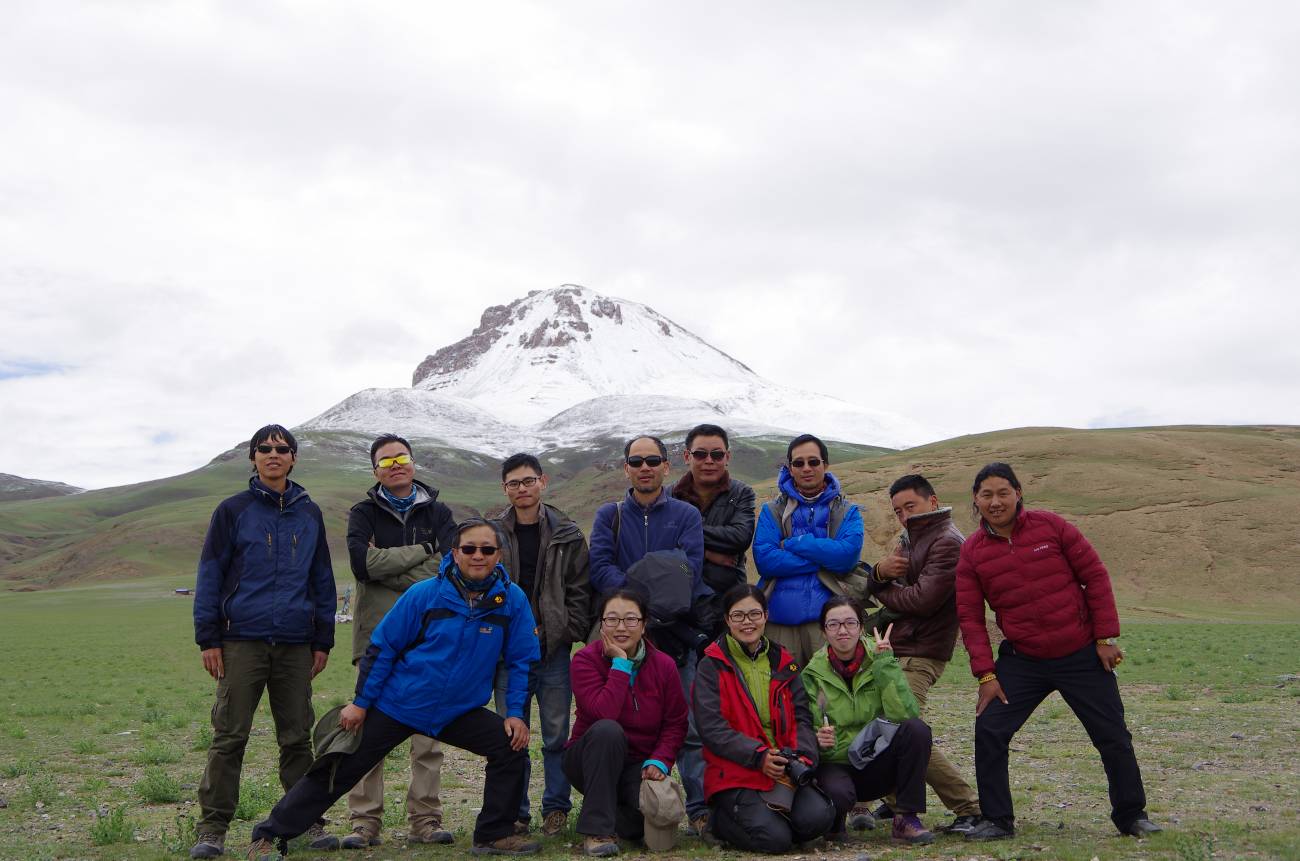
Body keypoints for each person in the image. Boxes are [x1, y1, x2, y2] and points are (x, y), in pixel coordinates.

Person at [243, 519, 543, 861]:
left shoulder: (511, 601)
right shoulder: (425, 594)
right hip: (399, 703)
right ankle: (269, 836)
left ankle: (494, 834)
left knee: (510, 746)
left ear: (498, 554)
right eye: (469, 548)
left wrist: (516, 714)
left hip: (457, 711)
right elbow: (382, 648)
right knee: (337, 767)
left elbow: (523, 661)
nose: (478, 556)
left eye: (487, 550)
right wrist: (361, 704)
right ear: (455, 553)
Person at [955, 462, 1162, 841]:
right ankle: (997, 820)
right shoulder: (972, 552)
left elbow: (1094, 575)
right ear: (975, 500)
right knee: (990, 729)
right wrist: (985, 675)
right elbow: (969, 618)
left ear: (1018, 492)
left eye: (1003, 492)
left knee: (1112, 734)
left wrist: (1105, 637)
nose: (996, 501)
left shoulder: (1051, 526)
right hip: (1023, 660)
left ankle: (1132, 816)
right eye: (986, 495)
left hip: (1080, 653)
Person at [190, 424, 337, 858]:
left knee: (296, 737)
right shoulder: (232, 510)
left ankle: (305, 821)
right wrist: (208, 638)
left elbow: (322, 579)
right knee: (229, 736)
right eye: (264, 448)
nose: (274, 454)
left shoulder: (309, 514)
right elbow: (210, 575)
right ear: (252, 457)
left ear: (294, 458)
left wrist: (322, 640)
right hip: (241, 642)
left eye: (282, 449)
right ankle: (212, 829)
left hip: (295, 643)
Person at [337, 433, 457, 848]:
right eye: (385, 462)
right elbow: (361, 565)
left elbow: (447, 572)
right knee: (365, 730)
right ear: (375, 471)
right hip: (376, 638)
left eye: (401, 458)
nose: (395, 466)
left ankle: (426, 819)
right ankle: (364, 821)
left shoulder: (440, 511)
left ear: (413, 462)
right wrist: (423, 550)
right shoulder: (363, 512)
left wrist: (387, 565)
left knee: (427, 736)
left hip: (429, 637)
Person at [589, 436, 708, 831]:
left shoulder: (686, 515)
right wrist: (640, 598)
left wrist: (636, 590)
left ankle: (699, 810)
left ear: (666, 466)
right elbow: (599, 567)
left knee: (687, 725)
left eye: (652, 460)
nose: (645, 467)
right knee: (610, 720)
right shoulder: (610, 516)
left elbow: (687, 573)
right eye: (636, 461)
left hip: (674, 634)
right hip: (622, 633)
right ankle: (621, 808)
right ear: (626, 467)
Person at [864, 474, 981, 834]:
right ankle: (897, 800)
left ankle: (970, 807)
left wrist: (880, 586)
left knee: (906, 729)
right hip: (900, 647)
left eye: (910, 507)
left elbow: (922, 601)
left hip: (922, 651)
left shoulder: (947, 542)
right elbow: (890, 584)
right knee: (887, 723)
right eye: (898, 510)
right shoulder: (913, 538)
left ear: (933, 501)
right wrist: (881, 573)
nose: (903, 516)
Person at [492, 452, 592, 836]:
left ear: (543, 481)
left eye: (528, 480)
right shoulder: (493, 534)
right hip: (508, 654)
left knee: (555, 734)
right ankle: (516, 812)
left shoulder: (567, 532)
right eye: (514, 483)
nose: (522, 488)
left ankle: (556, 808)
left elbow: (580, 589)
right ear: (505, 488)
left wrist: (568, 631)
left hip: (553, 650)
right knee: (511, 734)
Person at [693, 585, 836, 853]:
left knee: (820, 818)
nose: (747, 622)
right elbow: (712, 729)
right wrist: (758, 756)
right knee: (775, 840)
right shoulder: (711, 665)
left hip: (783, 766)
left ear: (766, 616)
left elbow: (802, 717)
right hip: (737, 768)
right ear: (727, 620)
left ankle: (771, 817)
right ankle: (721, 821)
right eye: (738, 616)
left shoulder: (784, 660)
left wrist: (802, 757)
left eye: (754, 614)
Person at [669, 423, 756, 833]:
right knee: (688, 720)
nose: (708, 461)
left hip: (728, 616)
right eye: (701, 453)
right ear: (686, 456)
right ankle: (699, 809)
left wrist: (687, 531)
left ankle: (737, 800)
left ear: (727, 457)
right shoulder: (670, 495)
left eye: (716, 454)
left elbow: (741, 538)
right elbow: (664, 552)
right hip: (680, 617)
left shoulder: (742, 493)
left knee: (734, 715)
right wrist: (709, 547)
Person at [801, 596, 935, 845]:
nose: (843, 630)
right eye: (833, 624)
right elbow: (803, 729)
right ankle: (835, 818)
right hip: (836, 764)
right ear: (823, 631)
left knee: (917, 730)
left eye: (850, 622)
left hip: (875, 762)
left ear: (861, 627)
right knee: (838, 794)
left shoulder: (880, 659)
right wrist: (818, 739)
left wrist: (886, 665)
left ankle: (906, 818)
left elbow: (906, 715)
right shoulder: (811, 675)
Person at [566, 589, 690, 856]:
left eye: (631, 619)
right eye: (612, 619)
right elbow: (603, 714)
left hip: (638, 766)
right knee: (608, 731)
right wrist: (620, 664)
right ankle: (597, 832)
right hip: (589, 757)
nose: (621, 627)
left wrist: (660, 759)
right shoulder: (585, 660)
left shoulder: (664, 665)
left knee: (638, 826)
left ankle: (608, 814)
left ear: (644, 625)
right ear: (601, 624)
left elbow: (676, 722)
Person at [753, 433, 865, 667]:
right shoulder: (771, 510)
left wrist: (794, 543)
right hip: (779, 622)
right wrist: (823, 558)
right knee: (784, 693)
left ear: (825, 465)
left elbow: (846, 557)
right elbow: (765, 560)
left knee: (829, 694)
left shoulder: (848, 511)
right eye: (798, 463)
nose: (806, 468)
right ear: (790, 468)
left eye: (813, 462)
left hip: (829, 623)